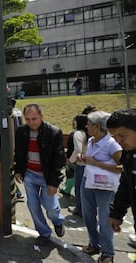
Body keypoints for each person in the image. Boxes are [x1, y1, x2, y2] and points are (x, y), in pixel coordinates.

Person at [13, 103, 65, 246]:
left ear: (42, 116)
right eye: (28, 119)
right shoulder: (21, 132)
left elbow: (58, 160)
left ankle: (58, 221)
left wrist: (54, 182)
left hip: (47, 176)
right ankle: (44, 233)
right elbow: (19, 153)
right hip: (29, 174)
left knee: (50, 206)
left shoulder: (54, 132)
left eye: (34, 119)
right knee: (33, 205)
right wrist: (18, 170)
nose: (31, 122)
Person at [79, 111, 122, 263]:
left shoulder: (112, 144)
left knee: (105, 220)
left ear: (97, 126)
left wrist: (95, 163)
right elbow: (90, 160)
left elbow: (122, 167)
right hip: (88, 182)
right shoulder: (91, 141)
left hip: (105, 187)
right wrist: (83, 159)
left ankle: (107, 253)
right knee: (88, 215)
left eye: (89, 123)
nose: (86, 126)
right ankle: (94, 243)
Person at [107, 110, 136, 252]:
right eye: (114, 137)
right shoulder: (129, 154)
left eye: (122, 135)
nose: (118, 141)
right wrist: (116, 213)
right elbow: (126, 184)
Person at [67, 114, 89, 217]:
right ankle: (87, 209)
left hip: (81, 164)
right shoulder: (89, 133)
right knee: (87, 189)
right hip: (91, 164)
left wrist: (71, 160)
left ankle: (79, 209)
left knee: (79, 188)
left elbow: (78, 150)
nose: (72, 123)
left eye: (74, 121)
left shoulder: (78, 134)